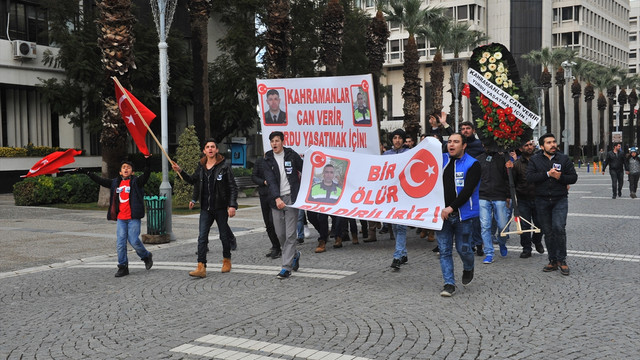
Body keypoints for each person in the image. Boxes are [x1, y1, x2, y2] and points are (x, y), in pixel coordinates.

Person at [172, 139, 238, 278]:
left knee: (224, 236)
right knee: (202, 237)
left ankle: (227, 260)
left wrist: (232, 205)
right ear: (204, 151)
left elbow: (232, 187)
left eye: (213, 147)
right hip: (205, 209)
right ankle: (201, 266)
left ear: (217, 150)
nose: (210, 149)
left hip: (220, 207)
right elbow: (193, 181)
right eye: (207, 147)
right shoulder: (201, 166)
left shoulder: (224, 166)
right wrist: (180, 171)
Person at [82, 157, 153, 277]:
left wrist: (147, 161)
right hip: (121, 218)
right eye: (124, 167)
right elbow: (101, 181)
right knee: (120, 243)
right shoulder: (115, 182)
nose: (126, 169)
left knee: (134, 240)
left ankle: (146, 256)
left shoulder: (136, 182)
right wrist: (89, 173)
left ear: (132, 172)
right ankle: (123, 266)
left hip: (133, 218)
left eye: (128, 168)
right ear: (120, 172)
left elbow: (146, 174)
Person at [436, 133, 481, 297]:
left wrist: (451, 207)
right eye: (449, 141)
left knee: (464, 249)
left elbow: (467, 191)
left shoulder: (473, 164)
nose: (451, 145)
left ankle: (469, 266)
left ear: (464, 146)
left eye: (456, 142)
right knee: (445, 251)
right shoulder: (440, 160)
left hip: (463, 216)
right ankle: (449, 284)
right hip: (442, 216)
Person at [527, 133, 577, 276]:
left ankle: (562, 260)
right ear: (542, 146)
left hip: (559, 199)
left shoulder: (564, 158)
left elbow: (573, 177)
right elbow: (530, 177)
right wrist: (548, 174)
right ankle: (553, 260)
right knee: (548, 232)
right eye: (549, 142)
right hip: (541, 200)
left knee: (559, 228)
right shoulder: (535, 160)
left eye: (554, 142)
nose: (553, 144)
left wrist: (560, 177)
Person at [263, 131, 304, 278]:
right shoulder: (267, 158)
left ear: (282, 141)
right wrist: (276, 198)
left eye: (277, 141)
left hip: (292, 199)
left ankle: (286, 268)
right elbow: (270, 181)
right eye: (272, 141)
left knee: (291, 234)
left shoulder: (291, 155)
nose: (274, 144)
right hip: (276, 200)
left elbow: (305, 169)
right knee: (280, 234)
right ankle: (294, 254)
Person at [476, 148, 510, 264]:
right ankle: (489, 252)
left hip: (499, 195)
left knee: (502, 225)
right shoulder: (479, 159)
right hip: (483, 196)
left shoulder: (502, 159)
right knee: (485, 226)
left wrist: (508, 195)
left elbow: (508, 179)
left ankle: (502, 242)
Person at [512, 140, 544, 258]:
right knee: (524, 226)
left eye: (531, 144)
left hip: (539, 198)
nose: (529, 147)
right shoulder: (516, 164)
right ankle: (526, 248)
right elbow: (513, 183)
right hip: (523, 199)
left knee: (540, 223)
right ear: (521, 149)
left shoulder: (540, 161)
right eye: (526, 145)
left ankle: (537, 240)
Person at [384, 129, 410, 270]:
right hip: (391, 196)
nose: (397, 140)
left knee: (400, 227)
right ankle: (403, 253)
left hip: (404, 195)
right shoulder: (386, 155)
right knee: (394, 226)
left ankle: (397, 256)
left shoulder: (409, 153)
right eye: (395, 137)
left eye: (400, 138)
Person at [459, 121, 484, 257]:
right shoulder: (459, 146)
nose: (465, 131)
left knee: (475, 217)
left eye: (468, 128)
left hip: (477, 184)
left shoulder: (479, 145)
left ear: (473, 130)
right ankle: (468, 244)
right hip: (460, 183)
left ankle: (478, 243)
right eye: (462, 129)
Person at [252, 154, 281, 259]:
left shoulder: (278, 160)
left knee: (274, 221)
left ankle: (280, 245)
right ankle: (275, 246)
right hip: (264, 194)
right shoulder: (260, 160)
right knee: (268, 223)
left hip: (277, 194)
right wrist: (263, 182)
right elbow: (254, 176)